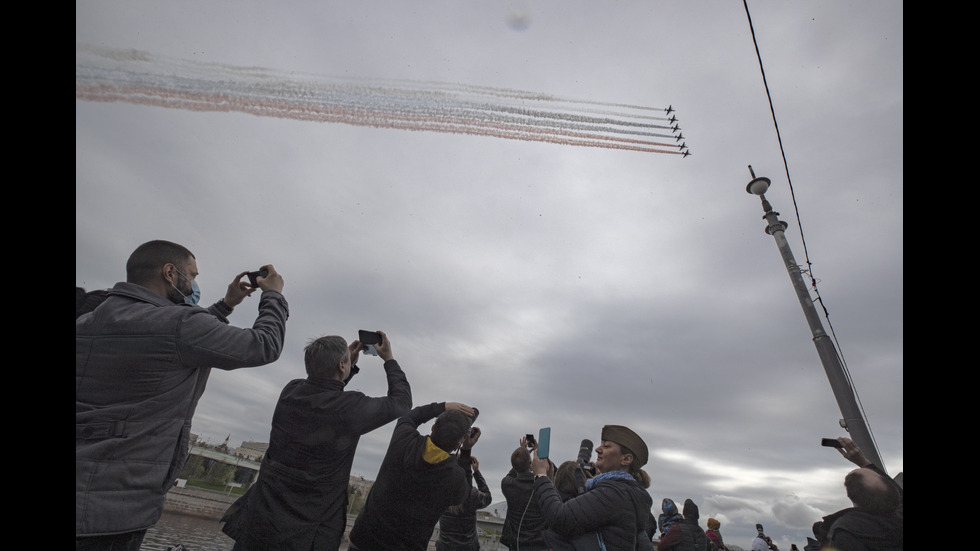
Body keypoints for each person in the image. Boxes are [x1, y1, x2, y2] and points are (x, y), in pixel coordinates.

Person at [76, 239, 289, 550]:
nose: (194, 282)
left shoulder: (87, 321)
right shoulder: (181, 325)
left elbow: (176, 337)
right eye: (193, 274)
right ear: (170, 272)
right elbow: (263, 345)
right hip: (111, 509)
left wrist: (226, 305)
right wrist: (273, 296)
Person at [220, 331, 412, 550]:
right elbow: (402, 402)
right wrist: (389, 359)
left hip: (260, 520)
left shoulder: (290, 391)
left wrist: (344, 367)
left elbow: (324, 394)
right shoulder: (351, 408)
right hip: (307, 532)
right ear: (341, 365)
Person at [347, 401, 479, 551]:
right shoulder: (456, 478)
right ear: (457, 445)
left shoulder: (404, 440)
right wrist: (466, 451)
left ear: (433, 427)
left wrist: (442, 407)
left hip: (363, 540)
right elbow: (466, 497)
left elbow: (410, 417)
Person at [530, 425, 655, 551]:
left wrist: (541, 475)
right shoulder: (625, 491)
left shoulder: (612, 493)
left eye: (606, 446)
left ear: (626, 459)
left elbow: (560, 518)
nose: (597, 449)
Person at [804, 437, 902, 551]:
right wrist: (863, 462)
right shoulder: (899, 519)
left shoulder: (845, 532)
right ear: (894, 496)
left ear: (851, 497)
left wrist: (861, 462)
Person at [500, 437, 551, 551]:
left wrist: (521, 451)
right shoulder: (541, 487)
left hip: (516, 545)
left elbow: (513, 472)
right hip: (538, 546)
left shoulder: (507, 485)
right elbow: (551, 490)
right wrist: (538, 453)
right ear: (530, 462)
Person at [435, 454, 493, 551]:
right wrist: (477, 472)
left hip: (444, 547)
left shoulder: (441, 490)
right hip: (468, 547)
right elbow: (488, 498)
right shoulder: (472, 494)